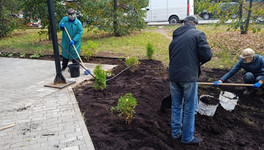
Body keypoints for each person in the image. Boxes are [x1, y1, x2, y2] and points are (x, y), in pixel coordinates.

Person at [169, 15, 212, 144]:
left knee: (176, 105)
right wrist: (197, 63)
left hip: (173, 76)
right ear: (195, 24)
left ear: (184, 24)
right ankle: (187, 138)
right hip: (188, 77)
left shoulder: (175, 38)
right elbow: (207, 55)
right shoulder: (198, 34)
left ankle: (175, 133)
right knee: (190, 108)